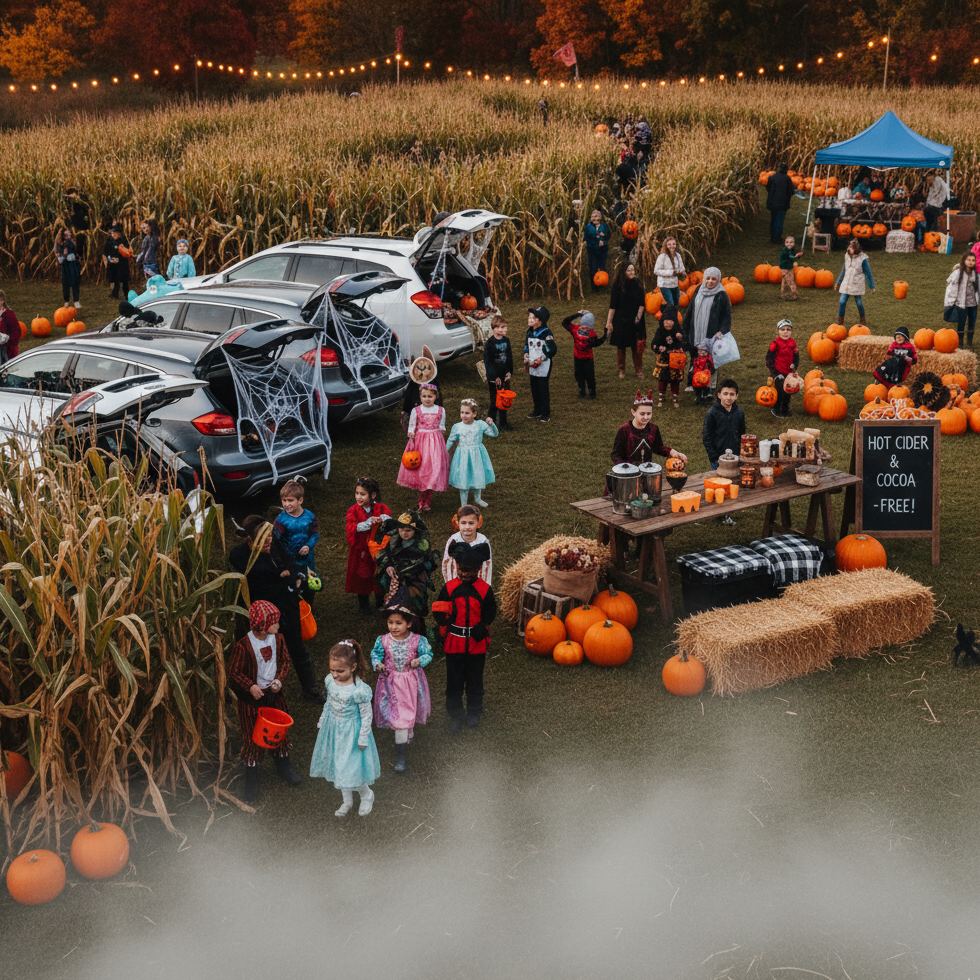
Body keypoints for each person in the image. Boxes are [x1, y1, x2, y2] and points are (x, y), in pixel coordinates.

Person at [229, 515, 325, 704]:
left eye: (271, 537)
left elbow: (288, 563)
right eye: (264, 539)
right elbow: (261, 580)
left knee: (297, 648)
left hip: (286, 609)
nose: (269, 542)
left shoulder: (274, 546)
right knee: (253, 653)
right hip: (261, 615)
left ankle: (311, 690)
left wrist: (292, 574)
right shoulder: (239, 555)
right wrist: (285, 577)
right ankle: (244, 690)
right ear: (250, 538)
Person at [227, 600, 303, 803]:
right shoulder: (244, 646)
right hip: (252, 701)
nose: (279, 625)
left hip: (273, 695)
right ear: (262, 624)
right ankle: (251, 778)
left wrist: (278, 679)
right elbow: (233, 672)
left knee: (278, 729)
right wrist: (250, 686)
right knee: (253, 735)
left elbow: (285, 660)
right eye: (275, 621)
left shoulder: (278, 639)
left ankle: (283, 765)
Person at [309, 639, 380, 817]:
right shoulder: (331, 682)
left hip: (351, 734)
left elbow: (366, 715)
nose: (334, 674)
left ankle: (366, 794)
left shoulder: (359, 690)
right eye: (332, 670)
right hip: (334, 731)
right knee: (339, 766)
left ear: (353, 667)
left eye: (340, 671)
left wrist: (363, 736)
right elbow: (328, 704)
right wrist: (323, 720)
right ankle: (347, 801)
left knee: (352, 768)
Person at [433, 540, 496, 733]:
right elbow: (438, 612)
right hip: (454, 643)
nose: (465, 574)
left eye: (470, 570)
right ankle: (456, 714)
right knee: (454, 682)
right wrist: (446, 622)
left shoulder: (484, 589)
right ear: (457, 567)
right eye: (462, 569)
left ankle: (474, 712)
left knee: (475, 681)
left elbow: (491, 612)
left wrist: (482, 626)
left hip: (476, 644)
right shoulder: (450, 588)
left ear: (477, 569)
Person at [370, 604, 432, 773]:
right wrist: (378, 664)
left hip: (410, 685)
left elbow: (428, 654)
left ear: (409, 624)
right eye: (390, 622)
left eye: (399, 623)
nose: (394, 627)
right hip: (390, 685)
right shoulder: (383, 640)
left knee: (403, 718)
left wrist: (419, 661)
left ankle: (401, 754)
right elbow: (375, 654)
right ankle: (402, 740)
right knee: (397, 716)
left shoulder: (417, 640)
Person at [374, 511, 438, 625]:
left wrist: (404, 571)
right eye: (401, 529)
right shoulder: (393, 539)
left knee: (414, 604)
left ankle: (416, 626)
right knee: (396, 603)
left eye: (408, 530)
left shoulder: (422, 543)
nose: (404, 533)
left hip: (414, 579)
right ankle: (397, 624)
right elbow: (382, 553)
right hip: (395, 579)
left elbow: (423, 562)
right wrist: (388, 565)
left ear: (415, 530)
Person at [397, 381, 449, 512]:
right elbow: (412, 425)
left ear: (435, 397)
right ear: (420, 397)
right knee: (423, 467)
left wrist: (441, 429)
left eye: (430, 396)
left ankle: (428, 497)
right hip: (421, 442)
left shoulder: (440, 410)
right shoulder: (416, 410)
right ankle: (422, 500)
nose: (427, 399)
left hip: (435, 442)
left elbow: (442, 426)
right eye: (424, 396)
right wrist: (411, 432)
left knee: (434, 468)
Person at [345, 477, 391, 617]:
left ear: (373, 495)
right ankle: (363, 605)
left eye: (362, 494)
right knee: (362, 576)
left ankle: (380, 601)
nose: (358, 497)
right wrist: (369, 522)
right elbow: (352, 527)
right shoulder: (353, 511)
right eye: (357, 493)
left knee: (379, 574)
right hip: (362, 551)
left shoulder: (382, 508)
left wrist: (383, 519)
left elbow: (389, 522)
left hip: (378, 550)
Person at [683, 267, 732, 391]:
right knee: (695, 356)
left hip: (712, 333)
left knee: (710, 360)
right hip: (696, 330)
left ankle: (710, 385)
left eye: (713, 279)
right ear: (704, 278)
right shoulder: (698, 290)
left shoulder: (721, 295)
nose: (710, 281)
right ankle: (692, 383)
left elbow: (726, 316)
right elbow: (690, 310)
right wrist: (686, 326)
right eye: (708, 278)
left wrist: (722, 331)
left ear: (718, 280)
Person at [611, 389, 688, 467]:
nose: (646, 417)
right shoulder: (625, 430)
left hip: (646, 470)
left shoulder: (653, 429)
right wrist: (625, 467)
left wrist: (671, 451)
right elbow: (615, 455)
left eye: (649, 414)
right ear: (633, 412)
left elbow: (657, 448)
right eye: (642, 414)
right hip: (628, 474)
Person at [447, 398, 498, 508]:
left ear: (474, 414)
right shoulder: (457, 427)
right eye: (462, 412)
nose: (464, 415)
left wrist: (491, 424)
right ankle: (464, 505)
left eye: (467, 413)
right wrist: (444, 452)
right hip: (463, 457)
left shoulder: (479, 424)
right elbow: (450, 440)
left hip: (477, 456)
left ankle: (478, 498)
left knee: (477, 476)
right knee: (464, 479)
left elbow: (494, 434)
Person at [606, 263, 647, 380]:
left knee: (636, 345)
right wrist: (609, 322)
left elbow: (642, 303)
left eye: (633, 270)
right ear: (623, 272)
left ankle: (638, 369)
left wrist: (638, 317)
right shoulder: (617, 286)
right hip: (621, 319)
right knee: (621, 345)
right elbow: (612, 306)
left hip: (636, 319)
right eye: (629, 270)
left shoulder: (637, 283)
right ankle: (621, 369)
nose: (631, 273)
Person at [273, 479, 319, 576]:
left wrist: (308, 546)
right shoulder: (281, 519)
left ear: (300, 500)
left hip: (307, 557)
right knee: (294, 581)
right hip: (290, 559)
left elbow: (315, 534)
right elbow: (275, 539)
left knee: (310, 580)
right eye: (284, 500)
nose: (286, 504)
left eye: (290, 500)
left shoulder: (309, 516)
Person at [702, 379, 746, 481]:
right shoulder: (712, 413)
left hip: (735, 458)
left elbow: (742, 434)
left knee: (735, 483)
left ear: (736, 396)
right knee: (720, 483)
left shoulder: (739, 413)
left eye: (732, 394)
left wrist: (741, 454)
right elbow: (707, 437)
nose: (728, 397)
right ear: (719, 395)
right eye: (725, 394)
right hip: (718, 458)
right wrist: (714, 457)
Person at [443, 505, 492, 585]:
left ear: (478, 523)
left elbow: (486, 566)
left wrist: (485, 586)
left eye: (471, 523)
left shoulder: (483, 541)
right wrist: (451, 585)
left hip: (477, 584)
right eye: (463, 523)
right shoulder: (454, 540)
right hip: (457, 584)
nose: (467, 527)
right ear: (458, 523)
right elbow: (448, 565)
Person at [523, 306, 557, 422]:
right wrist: (526, 355)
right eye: (529, 317)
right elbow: (526, 345)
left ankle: (545, 413)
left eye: (533, 318)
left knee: (543, 388)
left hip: (543, 365)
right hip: (533, 365)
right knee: (534, 388)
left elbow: (552, 350)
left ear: (540, 321)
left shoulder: (546, 334)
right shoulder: (529, 331)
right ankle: (537, 410)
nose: (529, 319)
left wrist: (541, 359)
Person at [561, 309, 605, 398]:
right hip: (588, 358)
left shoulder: (575, 330)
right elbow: (597, 343)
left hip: (577, 357)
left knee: (579, 374)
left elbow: (565, 322)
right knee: (590, 376)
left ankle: (581, 390)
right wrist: (605, 334)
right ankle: (591, 391)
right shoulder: (591, 333)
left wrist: (577, 314)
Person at [765, 319, 800, 419]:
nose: (785, 332)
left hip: (788, 372)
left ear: (791, 331)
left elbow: (796, 357)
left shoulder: (793, 344)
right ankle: (776, 409)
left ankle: (785, 410)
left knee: (788, 391)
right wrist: (775, 373)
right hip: (778, 372)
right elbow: (769, 359)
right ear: (778, 331)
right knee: (779, 392)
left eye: (788, 329)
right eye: (782, 329)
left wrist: (794, 369)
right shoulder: (775, 344)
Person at [835, 239, 875, 326]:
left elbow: (868, 273)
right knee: (842, 301)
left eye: (851, 247)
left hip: (857, 283)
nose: (849, 248)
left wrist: (872, 286)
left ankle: (862, 319)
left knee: (859, 303)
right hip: (847, 283)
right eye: (849, 246)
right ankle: (840, 321)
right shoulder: (847, 256)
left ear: (856, 248)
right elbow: (844, 270)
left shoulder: (863, 259)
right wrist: (838, 282)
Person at [483, 315, 514, 431]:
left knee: (504, 400)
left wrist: (509, 372)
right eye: (499, 327)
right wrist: (494, 376)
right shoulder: (490, 343)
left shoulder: (507, 341)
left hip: (504, 376)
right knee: (494, 401)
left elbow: (509, 358)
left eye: (504, 327)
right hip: (494, 378)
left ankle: (503, 423)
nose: (501, 330)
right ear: (493, 329)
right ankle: (489, 424)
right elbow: (488, 362)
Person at [652, 305, 685, 409]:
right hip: (664, 359)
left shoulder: (678, 331)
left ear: (674, 321)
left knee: (674, 378)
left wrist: (681, 340)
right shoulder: (660, 331)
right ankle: (662, 394)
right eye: (666, 321)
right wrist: (658, 347)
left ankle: (675, 395)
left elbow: (685, 343)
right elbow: (654, 343)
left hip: (675, 359)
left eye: (670, 321)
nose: (668, 323)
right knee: (662, 378)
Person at [943, 250, 979, 347]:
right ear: (964, 260)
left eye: (973, 260)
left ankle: (970, 342)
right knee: (961, 324)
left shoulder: (976, 274)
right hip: (961, 304)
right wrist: (950, 301)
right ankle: (960, 343)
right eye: (968, 260)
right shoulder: (958, 273)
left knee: (972, 323)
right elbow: (951, 288)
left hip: (973, 304)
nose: (971, 262)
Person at [765, 163, 795, 244]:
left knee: (773, 219)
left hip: (772, 202)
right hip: (782, 203)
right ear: (786, 170)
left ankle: (772, 236)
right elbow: (791, 191)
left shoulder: (772, 177)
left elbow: (768, 188)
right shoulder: (787, 179)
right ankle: (777, 238)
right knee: (779, 220)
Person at [54, 227, 82, 309]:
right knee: (65, 283)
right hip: (66, 266)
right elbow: (60, 260)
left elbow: (77, 253)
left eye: (69, 234)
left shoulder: (72, 243)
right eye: (66, 235)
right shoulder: (58, 245)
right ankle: (66, 301)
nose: (69, 236)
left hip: (73, 264)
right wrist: (64, 254)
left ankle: (76, 301)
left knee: (75, 282)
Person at [653, 238, 686, 306]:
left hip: (674, 284)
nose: (672, 246)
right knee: (671, 304)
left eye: (674, 244)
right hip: (664, 284)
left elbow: (682, 268)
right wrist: (671, 272)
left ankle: (674, 315)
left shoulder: (678, 256)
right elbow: (656, 271)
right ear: (665, 245)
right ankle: (670, 315)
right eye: (669, 244)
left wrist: (680, 272)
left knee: (676, 303)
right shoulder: (662, 257)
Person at [103, 222, 130, 300]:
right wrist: (109, 258)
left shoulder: (124, 241)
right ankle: (115, 294)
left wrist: (120, 258)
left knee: (124, 280)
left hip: (122, 264)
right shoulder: (109, 240)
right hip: (113, 264)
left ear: (120, 234)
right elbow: (106, 251)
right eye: (112, 233)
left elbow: (127, 252)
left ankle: (127, 295)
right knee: (115, 279)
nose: (114, 235)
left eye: (116, 234)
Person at [584, 210, 610, 290]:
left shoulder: (604, 226)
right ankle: (594, 287)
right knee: (593, 267)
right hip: (592, 249)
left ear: (600, 217)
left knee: (602, 266)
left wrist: (603, 240)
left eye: (596, 216)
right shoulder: (588, 226)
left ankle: (603, 284)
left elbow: (608, 236)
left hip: (603, 249)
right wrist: (596, 237)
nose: (594, 218)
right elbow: (586, 237)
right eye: (592, 216)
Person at [922, 171, 950, 237]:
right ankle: (929, 232)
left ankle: (931, 232)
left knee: (930, 214)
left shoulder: (937, 181)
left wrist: (928, 204)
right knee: (928, 212)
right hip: (936, 205)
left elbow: (935, 195)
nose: (928, 181)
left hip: (939, 205)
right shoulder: (935, 182)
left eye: (928, 180)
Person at [690, 341, 715, 407]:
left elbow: (712, 366)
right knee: (697, 387)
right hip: (697, 375)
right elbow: (695, 365)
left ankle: (705, 396)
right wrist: (693, 370)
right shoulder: (697, 359)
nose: (701, 352)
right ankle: (698, 397)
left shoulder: (708, 359)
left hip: (705, 375)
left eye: (703, 351)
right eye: (699, 351)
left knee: (705, 387)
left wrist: (710, 368)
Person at [0, 290, 21, 365]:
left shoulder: (8, 314)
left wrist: (6, 339)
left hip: (7, 351)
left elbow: (17, 333)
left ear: (2, 301)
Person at [778, 236, 803, 301]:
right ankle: (793, 295)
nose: (789, 244)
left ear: (794, 243)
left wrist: (798, 256)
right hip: (785, 268)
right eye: (787, 242)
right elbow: (789, 256)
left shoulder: (791, 250)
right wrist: (795, 256)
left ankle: (785, 295)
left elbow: (793, 255)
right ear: (785, 243)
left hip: (789, 267)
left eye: (791, 242)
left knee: (785, 281)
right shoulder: (785, 250)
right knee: (790, 281)